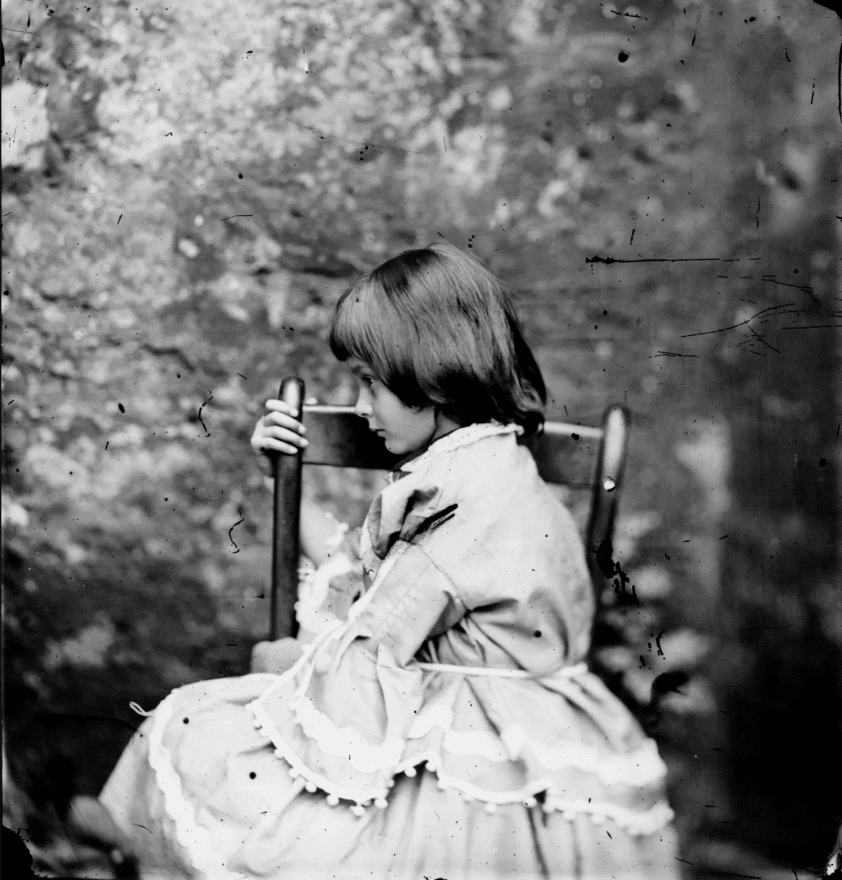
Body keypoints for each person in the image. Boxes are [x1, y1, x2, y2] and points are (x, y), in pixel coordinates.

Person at [97, 243, 679, 879]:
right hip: (538, 734)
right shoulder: (486, 465)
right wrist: (278, 480)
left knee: (192, 731)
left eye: (370, 383)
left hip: (480, 766)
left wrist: (285, 670)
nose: (361, 407)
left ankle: (131, 844)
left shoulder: (459, 500)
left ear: (433, 376)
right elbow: (368, 579)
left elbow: (370, 642)